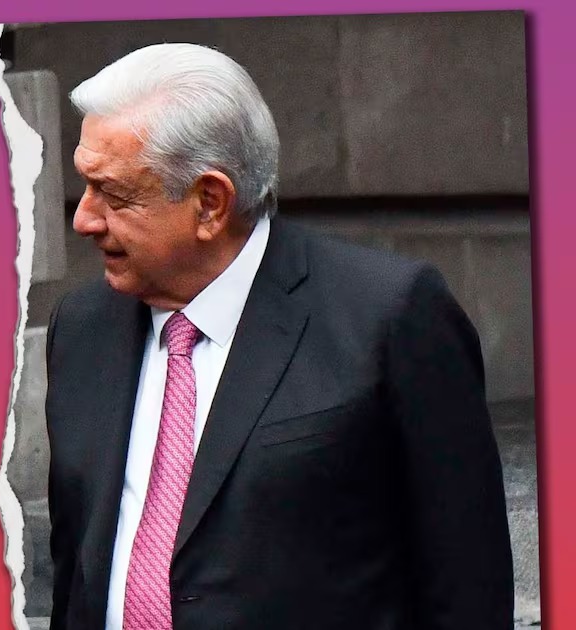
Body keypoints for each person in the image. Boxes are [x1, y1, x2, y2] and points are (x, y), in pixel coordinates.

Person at [45, 44, 514, 630]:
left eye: (114, 194)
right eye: (86, 186)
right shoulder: (82, 328)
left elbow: (467, 584)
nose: (84, 219)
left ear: (210, 203)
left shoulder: (387, 316)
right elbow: (75, 572)